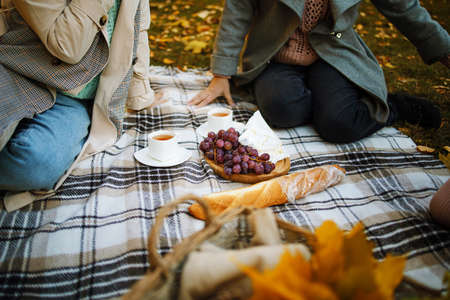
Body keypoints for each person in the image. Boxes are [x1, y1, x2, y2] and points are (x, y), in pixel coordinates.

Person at [188, 0, 449, 143]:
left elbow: (404, 8)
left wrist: (443, 48)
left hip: (332, 53)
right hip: (276, 56)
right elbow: (237, 10)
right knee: (281, 110)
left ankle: (397, 106)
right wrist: (221, 75)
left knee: (340, 125)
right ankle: (322, 100)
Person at [0, 0, 158, 210]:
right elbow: (67, 46)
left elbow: (138, 23)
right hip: (16, 72)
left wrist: (139, 91)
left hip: (73, 95)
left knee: (36, 166)